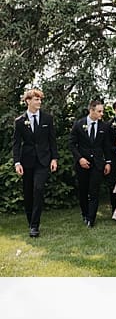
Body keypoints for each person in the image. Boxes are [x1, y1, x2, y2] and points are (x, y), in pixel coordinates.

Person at [12, 85, 57, 237]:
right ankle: (30, 219)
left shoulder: (47, 119)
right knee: (28, 192)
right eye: (36, 100)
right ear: (28, 101)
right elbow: (16, 144)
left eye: (40, 100)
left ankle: (34, 226)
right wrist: (17, 163)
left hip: (43, 161)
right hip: (27, 161)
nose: (39, 102)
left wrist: (54, 159)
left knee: (38, 189)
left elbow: (52, 141)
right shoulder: (19, 121)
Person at [71, 100, 109, 227]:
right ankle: (85, 213)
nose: (101, 114)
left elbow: (106, 146)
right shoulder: (78, 124)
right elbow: (72, 144)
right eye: (99, 111)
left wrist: (107, 162)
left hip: (98, 163)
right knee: (83, 190)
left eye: (102, 111)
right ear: (91, 110)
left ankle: (91, 219)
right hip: (82, 162)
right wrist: (80, 158)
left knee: (94, 190)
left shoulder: (104, 126)